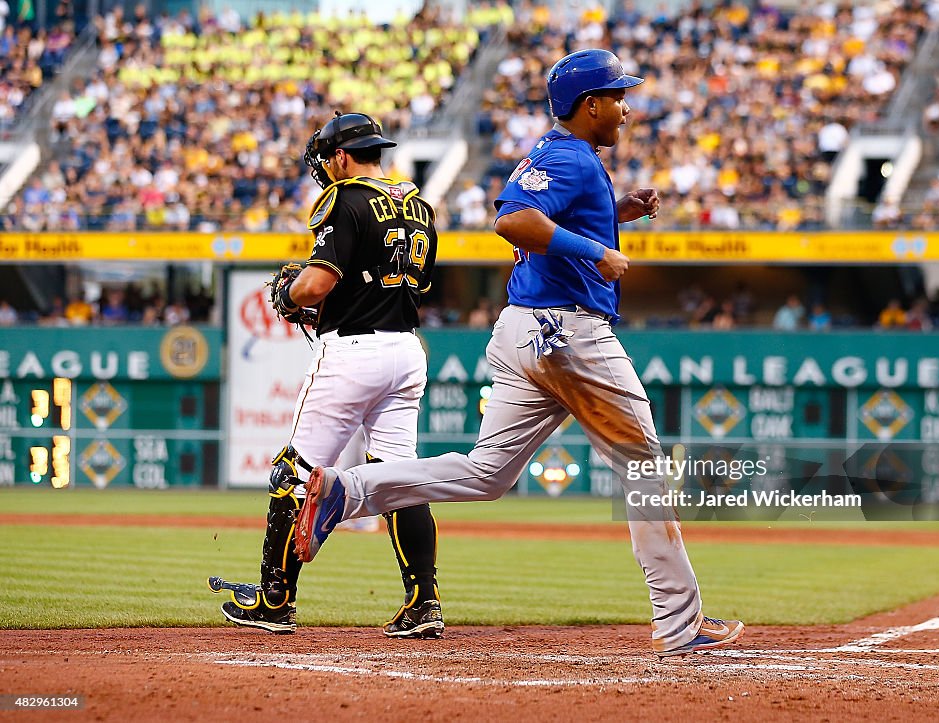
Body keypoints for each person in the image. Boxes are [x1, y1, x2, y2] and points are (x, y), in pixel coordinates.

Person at [293, 50, 745, 659]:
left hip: (522, 331)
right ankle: (680, 623)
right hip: (568, 335)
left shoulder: (559, 154)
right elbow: (512, 221)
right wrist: (597, 250)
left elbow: (541, 215)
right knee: (643, 468)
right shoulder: (570, 156)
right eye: (617, 97)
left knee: (487, 474)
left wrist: (617, 215)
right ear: (590, 106)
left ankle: (348, 489)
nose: (626, 108)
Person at [209, 112, 444, 639]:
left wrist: (286, 296)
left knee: (294, 472)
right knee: (399, 478)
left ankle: (274, 601)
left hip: (354, 351)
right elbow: (409, 285)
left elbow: (315, 284)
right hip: (407, 349)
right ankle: (423, 601)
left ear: (341, 155)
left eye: (326, 157)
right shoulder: (418, 205)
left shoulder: (344, 198)